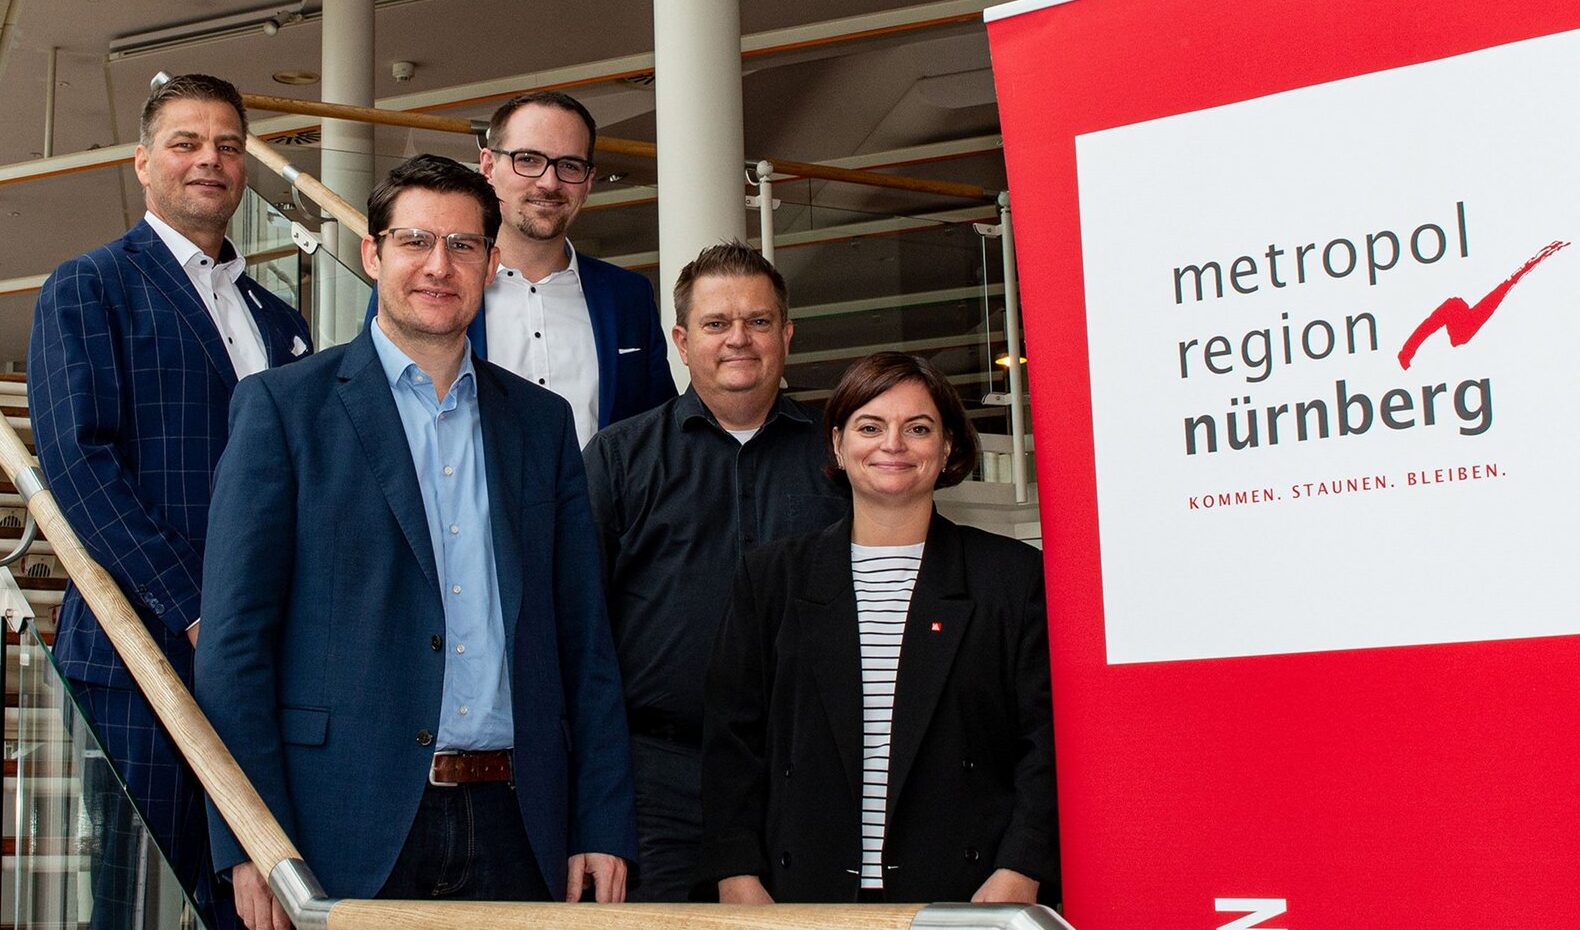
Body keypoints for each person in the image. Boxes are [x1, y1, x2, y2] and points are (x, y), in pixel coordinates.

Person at [195, 154, 636, 929]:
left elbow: (584, 642)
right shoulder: (283, 411)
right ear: (372, 253)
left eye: (464, 246)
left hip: (519, 826)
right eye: (415, 241)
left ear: (492, 265)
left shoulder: (541, 425)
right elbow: (234, 645)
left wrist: (600, 821)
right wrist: (249, 838)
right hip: (339, 826)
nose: (440, 265)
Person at [27, 73, 312, 929]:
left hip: (270, 659)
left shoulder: (281, 316)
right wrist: (194, 607)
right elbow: (79, 467)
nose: (210, 160)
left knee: (255, 898)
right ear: (143, 161)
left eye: (229, 145)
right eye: (186, 142)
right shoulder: (89, 286)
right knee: (138, 899)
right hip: (141, 650)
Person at [701, 352, 1058, 904]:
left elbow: (1045, 741)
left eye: (918, 428)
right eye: (870, 427)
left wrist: (1021, 865)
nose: (893, 444)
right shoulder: (772, 579)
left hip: (968, 896)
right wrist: (737, 873)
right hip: (800, 898)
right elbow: (733, 742)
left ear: (947, 450)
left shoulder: (1009, 578)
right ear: (838, 446)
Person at [583, 242, 847, 901]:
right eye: (716, 323)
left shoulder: (842, 455)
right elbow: (577, 627)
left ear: (786, 334)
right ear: (679, 338)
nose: (740, 339)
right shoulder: (618, 458)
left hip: (810, 769)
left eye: (758, 322)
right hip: (660, 780)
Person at [364, 90, 675, 447]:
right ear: (488, 167)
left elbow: (659, 433)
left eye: (570, 165)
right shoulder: (430, 289)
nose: (549, 182)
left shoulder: (628, 297)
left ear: (589, 182)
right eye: (528, 159)